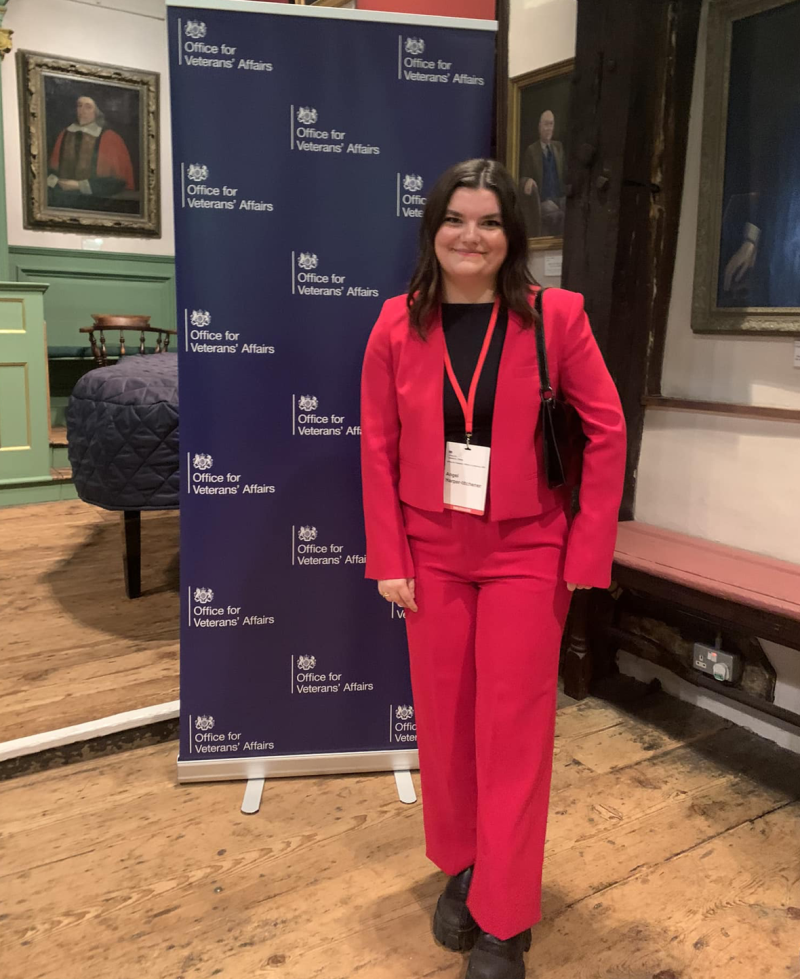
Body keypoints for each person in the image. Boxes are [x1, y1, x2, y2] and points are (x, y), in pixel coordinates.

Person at [360, 159, 626, 979]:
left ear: (513, 236)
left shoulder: (556, 318)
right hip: (431, 551)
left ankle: (505, 917)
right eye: (455, 219)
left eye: (489, 222)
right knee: (445, 726)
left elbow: (608, 429)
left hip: (526, 551)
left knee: (512, 732)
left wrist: (586, 550)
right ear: (432, 229)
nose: (469, 236)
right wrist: (389, 555)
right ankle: (464, 863)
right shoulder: (395, 324)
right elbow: (377, 445)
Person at [47, 95, 135, 209]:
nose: (82, 111)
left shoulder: (110, 138)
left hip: (98, 202)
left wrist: (79, 185)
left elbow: (119, 181)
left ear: (98, 111)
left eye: (88, 107)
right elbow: (51, 170)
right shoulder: (64, 134)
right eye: (79, 106)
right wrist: (56, 182)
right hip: (61, 199)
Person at [520, 110, 566, 237]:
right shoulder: (532, 151)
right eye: (546, 124)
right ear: (540, 127)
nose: (549, 128)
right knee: (559, 214)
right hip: (544, 200)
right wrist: (527, 180)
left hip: (560, 197)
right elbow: (523, 177)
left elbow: (565, 172)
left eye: (551, 124)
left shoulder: (558, 147)